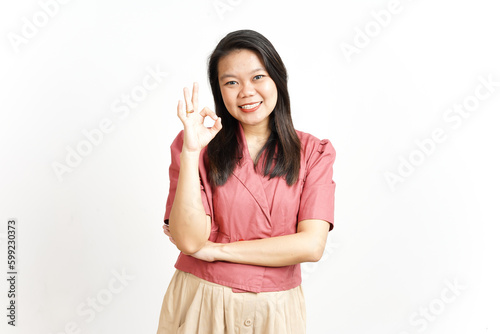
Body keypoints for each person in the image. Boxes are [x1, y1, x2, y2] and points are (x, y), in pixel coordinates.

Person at [157, 29, 336, 334]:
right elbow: (188, 241)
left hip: (277, 312)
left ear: (277, 79)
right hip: (201, 301)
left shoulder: (314, 153)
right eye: (231, 82)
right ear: (219, 91)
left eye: (257, 77)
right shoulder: (195, 145)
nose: (246, 92)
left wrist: (216, 251)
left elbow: (311, 245)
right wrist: (190, 152)